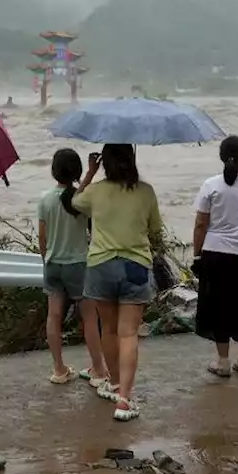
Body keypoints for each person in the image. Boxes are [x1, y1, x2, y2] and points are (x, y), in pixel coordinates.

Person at [72, 144, 163, 421]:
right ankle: (124, 399)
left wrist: (89, 173)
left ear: (106, 163)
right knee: (129, 334)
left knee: (108, 329)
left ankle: (112, 384)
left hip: (100, 265)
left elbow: (75, 202)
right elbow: (155, 230)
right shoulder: (146, 191)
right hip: (135, 266)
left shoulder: (96, 191)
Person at [191, 135, 238, 378]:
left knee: (218, 307)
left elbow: (201, 224)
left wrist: (196, 255)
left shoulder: (211, 185)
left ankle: (223, 361)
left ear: (222, 157)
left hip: (216, 254)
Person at [37, 148, 107, 386]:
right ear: (75, 171)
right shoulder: (80, 200)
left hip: (53, 264)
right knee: (89, 317)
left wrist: (47, 258)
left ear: (54, 171)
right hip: (78, 264)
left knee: (53, 316)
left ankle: (59, 369)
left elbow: (42, 240)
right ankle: (98, 369)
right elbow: (81, 199)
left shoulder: (45, 199)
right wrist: (91, 173)